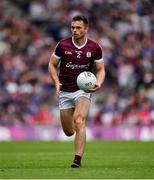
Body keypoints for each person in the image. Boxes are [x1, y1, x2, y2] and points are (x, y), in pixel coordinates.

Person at [48, 15, 105, 168]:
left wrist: (98, 83)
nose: (74, 30)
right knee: (68, 131)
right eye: (72, 27)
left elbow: (100, 69)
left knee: (79, 120)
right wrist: (56, 82)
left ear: (86, 29)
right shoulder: (62, 45)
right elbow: (52, 65)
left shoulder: (94, 48)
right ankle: (77, 131)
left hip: (83, 90)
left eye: (78, 27)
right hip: (65, 91)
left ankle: (77, 161)